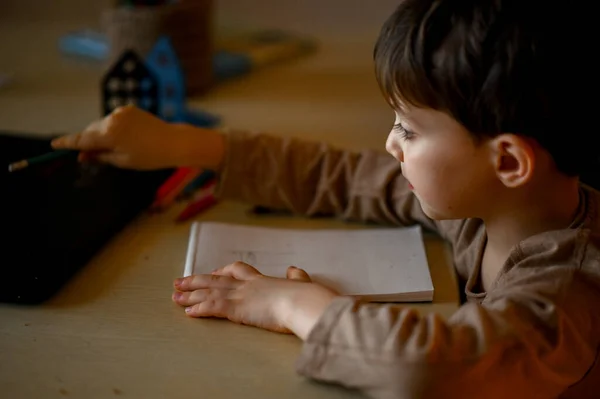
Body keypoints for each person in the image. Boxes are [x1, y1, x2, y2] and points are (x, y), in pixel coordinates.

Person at [51, 0, 600, 397]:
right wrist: (190, 145)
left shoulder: (568, 294)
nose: (389, 142)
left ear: (507, 161)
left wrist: (292, 303)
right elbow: (343, 176)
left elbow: (430, 368)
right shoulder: (492, 211)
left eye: (408, 129)